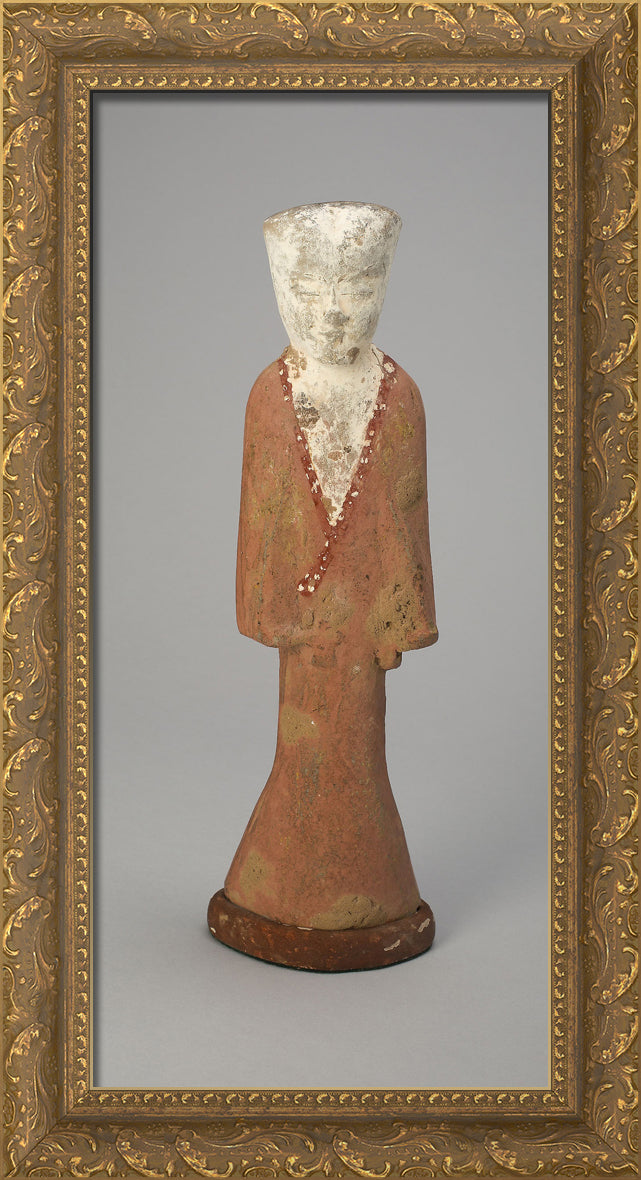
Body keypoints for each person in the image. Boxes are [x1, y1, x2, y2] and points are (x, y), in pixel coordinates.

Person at [223, 202, 438, 938]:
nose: (334, 315)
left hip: (363, 620)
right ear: (280, 291)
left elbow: (406, 514)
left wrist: (401, 618)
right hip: (305, 623)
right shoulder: (270, 393)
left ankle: (362, 883)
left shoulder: (399, 395)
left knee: (358, 749)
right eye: (310, 294)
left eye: (358, 291)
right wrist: (266, 609)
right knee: (304, 745)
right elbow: (261, 512)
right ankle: (289, 883)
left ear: (383, 288)